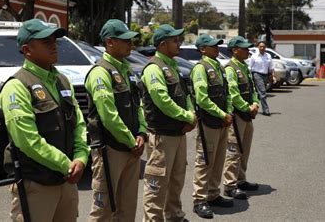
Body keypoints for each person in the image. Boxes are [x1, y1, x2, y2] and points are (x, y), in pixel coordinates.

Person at [0, 19, 90, 221]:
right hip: (37, 185)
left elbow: (78, 122)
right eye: (45, 42)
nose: (53, 46)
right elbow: (27, 140)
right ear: (27, 50)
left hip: (66, 182)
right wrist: (67, 165)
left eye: (54, 41)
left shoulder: (63, 80)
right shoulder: (16, 86)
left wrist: (81, 157)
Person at [85, 19, 148, 221]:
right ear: (110, 42)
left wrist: (141, 133)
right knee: (103, 209)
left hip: (131, 148)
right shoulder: (100, 72)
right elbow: (108, 116)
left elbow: (138, 106)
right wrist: (132, 141)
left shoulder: (127, 70)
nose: (131, 44)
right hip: (109, 149)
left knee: (127, 207)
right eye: (125, 40)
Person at [141, 24, 197, 222]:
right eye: (174, 40)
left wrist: (191, 114)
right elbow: (162, 100)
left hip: (178, 133)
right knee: (157, 184)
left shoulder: (173, 66)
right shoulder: (154, 68)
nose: (178, 43)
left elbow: (186, 94)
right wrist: (187, 117)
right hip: (162, 136)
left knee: (176, 179)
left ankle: (174, 216)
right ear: (163, 44)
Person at [190, 34, 236, 219]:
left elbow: (228, 93)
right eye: (212, 46)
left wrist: (229, 112)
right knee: (205, 161)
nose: (217, 48)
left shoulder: (218, 66)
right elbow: (202, 99)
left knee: (218, 160)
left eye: (217, 45)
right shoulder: (201, 68)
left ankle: (213, 194)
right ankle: (199, 200)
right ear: (202, 49)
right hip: (209, 122)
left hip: (222, 122)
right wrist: (222, 114)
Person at [222, 36, 261, 199]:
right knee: (234, 150)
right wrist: (247, 107)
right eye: (244, 48)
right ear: (234, 50)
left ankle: (240, 179)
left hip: (247, 115)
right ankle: (230, 185)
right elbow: (233, 94)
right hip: (238, 115)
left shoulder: (244, 66)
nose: (247, 51)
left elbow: (252, 89)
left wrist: (256, 103)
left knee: (244, 149)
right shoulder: (230, 68)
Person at [249, 41, 274, 116]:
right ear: (258, 47)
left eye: (263, 46)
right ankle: (266, 110)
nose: (262, 48)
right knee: (263, 92)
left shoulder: (268, 56)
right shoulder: (254, 56)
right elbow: (250, 67)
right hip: (257, 74)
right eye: (260, 46)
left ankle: (253, 106)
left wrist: (273, 76)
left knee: (259, 93)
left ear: (265, 47)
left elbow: (271, 67)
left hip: (265, 75)